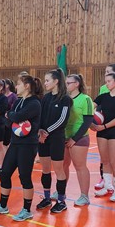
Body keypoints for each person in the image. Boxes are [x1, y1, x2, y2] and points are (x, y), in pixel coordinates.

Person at [0, 74, 42, 221]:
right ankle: (3, 206)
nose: (16, 86)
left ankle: (26, 210)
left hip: (28, 145)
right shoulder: (18, 101)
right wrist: (12, 116)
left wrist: (11, 115)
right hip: (15, 143)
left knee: (25, 177)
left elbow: (15, 117)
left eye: (18, 84)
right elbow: (8, 120)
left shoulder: (34, 103)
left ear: (27, 86)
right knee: (5, 173)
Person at [36, 68, 72, 214]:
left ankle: (61, 201)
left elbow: (62, 120)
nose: (45, 83)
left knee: (58, 170)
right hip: (43, 139)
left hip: (56, 138)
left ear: (56, 81)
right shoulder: (45, 98)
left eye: (47, 80)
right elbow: (40, 116)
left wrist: (47, 132)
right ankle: (46, 198)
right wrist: (40, 131)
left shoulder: (65, 99)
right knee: (45, 170)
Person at [92, 72, 115, 201]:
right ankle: (108, 187)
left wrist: (104, 126)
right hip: (101, 132)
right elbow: (90, 107)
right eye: (106, 81)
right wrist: (91, 122)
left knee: (114, 162)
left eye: (109, 81)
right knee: (105, 160)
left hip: (114, 131)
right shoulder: (103, 97)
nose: (106, 84)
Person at [61, 74, 93, 206]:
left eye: (69, 83)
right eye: (66, 83)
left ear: (77, 84)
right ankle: (61, 192)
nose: (66, 85)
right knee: (63, 165)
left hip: (79, 138)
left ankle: (84, 196)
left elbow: (88, 122)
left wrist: (74, 139)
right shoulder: (64, 99)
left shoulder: (85, 99)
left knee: (80, 166)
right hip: (64, 136)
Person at [2, 78, 18, 156]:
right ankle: (5, 158)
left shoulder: (13, 96)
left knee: (7, 142)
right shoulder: (1, 96)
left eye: (3, 84)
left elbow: (15, 108)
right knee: (2, 142)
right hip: (1, 121)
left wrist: (8, 113)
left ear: (7, 86)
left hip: (9, 122)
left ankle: (10, 157)